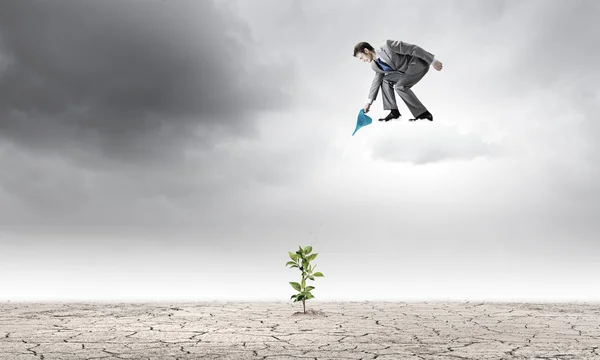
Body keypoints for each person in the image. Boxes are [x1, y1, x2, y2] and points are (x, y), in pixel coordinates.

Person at [353, 40, 443, 122]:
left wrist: (433, 61)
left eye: (361, 58)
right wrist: (368, 103)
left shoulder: (388, 46)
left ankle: (423, 114)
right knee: (385, 80)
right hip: (403, 72)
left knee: (400, 86)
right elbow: (376, 81)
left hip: (417, 64)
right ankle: (394, 112)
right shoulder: (374, 66)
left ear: (366, 51)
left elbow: (413, 49)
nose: (362, 61)